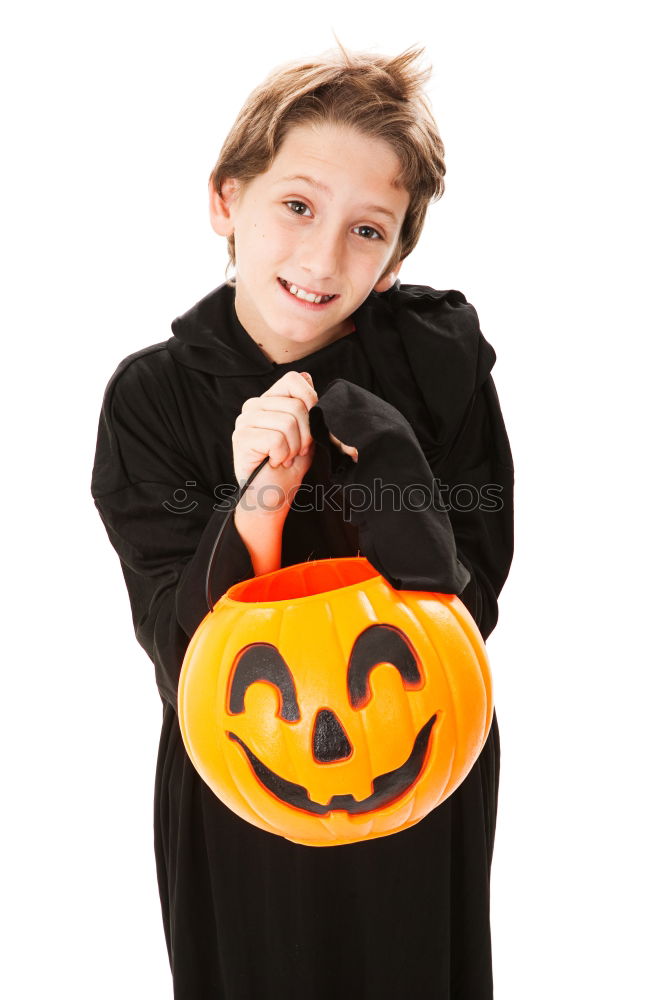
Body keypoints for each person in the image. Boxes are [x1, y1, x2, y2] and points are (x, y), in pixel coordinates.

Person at [90, 40, 514, 1000]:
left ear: (399, 254)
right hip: (245, 780)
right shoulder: (152, 399)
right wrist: (263, 501)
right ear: (225, 201)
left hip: (419, 763)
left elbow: (469, 610)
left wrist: (396, 471)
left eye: (370, 230)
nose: (324, 258)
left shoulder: (440, 366)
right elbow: (179, 646)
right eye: (296, 206)